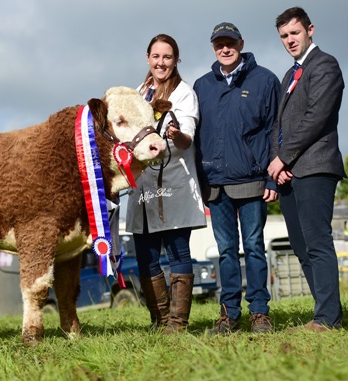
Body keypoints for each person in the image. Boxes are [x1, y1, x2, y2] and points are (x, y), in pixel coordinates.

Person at [193, 22, 280, 334]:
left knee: (254, 246)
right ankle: (229, 315)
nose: (225, 48)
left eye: (230, 42)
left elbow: (276, 131)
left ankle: (259, 313)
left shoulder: (265, 80)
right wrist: (201, 183)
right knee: (226, 250)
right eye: (219, 43)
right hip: (215, 186)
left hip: (253, 181)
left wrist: (272, 179)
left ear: (241, 43)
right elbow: (196, 137)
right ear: (213, 47)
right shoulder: (201, 86)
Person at [268, 7, 345, 331]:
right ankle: (325, 313)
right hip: (290, 172)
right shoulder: (290, 75)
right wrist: (278, 164)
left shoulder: (325, 65)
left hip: (315, 167)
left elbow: (316, 117)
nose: (289, 40)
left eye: (294, 33)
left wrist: (284, 157)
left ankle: (327, 318)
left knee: (317, 241)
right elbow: (279, 124)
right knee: (300, 246)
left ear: (310, 30)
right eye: (284, 36)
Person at [126, 34, 206, 333]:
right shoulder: (138, 93)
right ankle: (159, 321)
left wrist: (175, 135)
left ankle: (177, 323)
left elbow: (187, 139)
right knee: (145, 255)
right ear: (148, 58)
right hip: (142, 186)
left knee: (177, 253)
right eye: (156, 56)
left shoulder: (185, 93)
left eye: (167, 57)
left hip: (174, 184)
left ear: (176, 61)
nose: (161, 62)